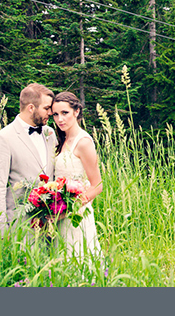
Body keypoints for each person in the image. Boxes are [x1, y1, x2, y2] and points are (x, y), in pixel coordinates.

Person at [0, 83, 57, 238]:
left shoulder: (50, 133)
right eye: (46, 108)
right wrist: (1, 232)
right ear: (31, 108)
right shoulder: (3, 139)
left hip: (50, 228)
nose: (51, 113)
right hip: (20, 228)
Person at [50, 91, 103, 260]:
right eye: (55, 114)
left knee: (78, 262)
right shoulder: (61, 140)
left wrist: (69, 209)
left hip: (76, 216)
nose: (60, 119)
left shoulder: (84, 142)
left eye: (64, 113)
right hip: (58, 215)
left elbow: (97, 185)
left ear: (76, 111)